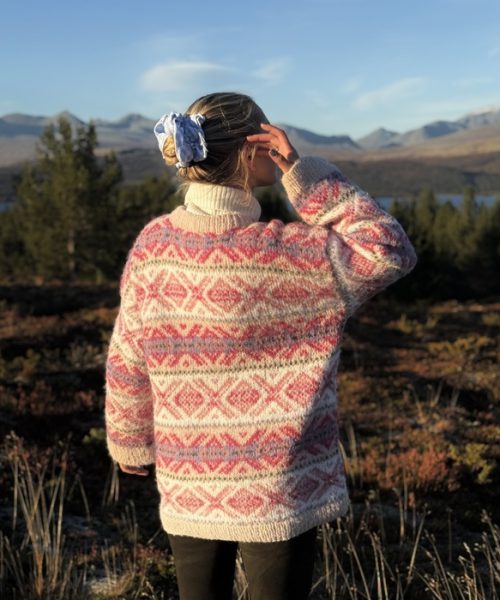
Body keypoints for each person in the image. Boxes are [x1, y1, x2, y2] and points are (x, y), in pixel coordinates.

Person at [105, 92, 417, 600]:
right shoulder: (298, 254)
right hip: (281, 486)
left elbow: (128, 355)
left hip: (191, 477)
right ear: (252, 151)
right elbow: (387, 249)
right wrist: (304, 175)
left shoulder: (154, 248)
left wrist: (130, 439)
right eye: (270, 138)